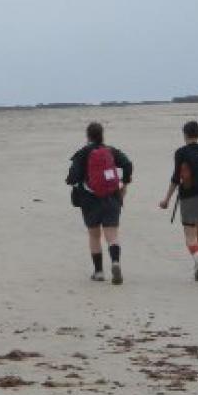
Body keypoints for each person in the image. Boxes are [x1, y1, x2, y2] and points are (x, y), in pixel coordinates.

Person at [66, 122, 133, 285]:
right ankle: (115, 262)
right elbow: (128, 164)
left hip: (89, 200)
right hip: (111, 197)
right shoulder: (110, 151)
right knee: (112, 235)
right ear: (102, 134)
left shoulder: (82, 153)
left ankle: (99, 272)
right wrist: (124, 184)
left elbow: (72, 178)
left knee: (94, 235)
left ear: (88, 136)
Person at [158, 120, 198, 281]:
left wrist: (166, 199)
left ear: (185, 135)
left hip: (189, 197)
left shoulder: (181, 153)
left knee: (190, 235)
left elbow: (175, 178)